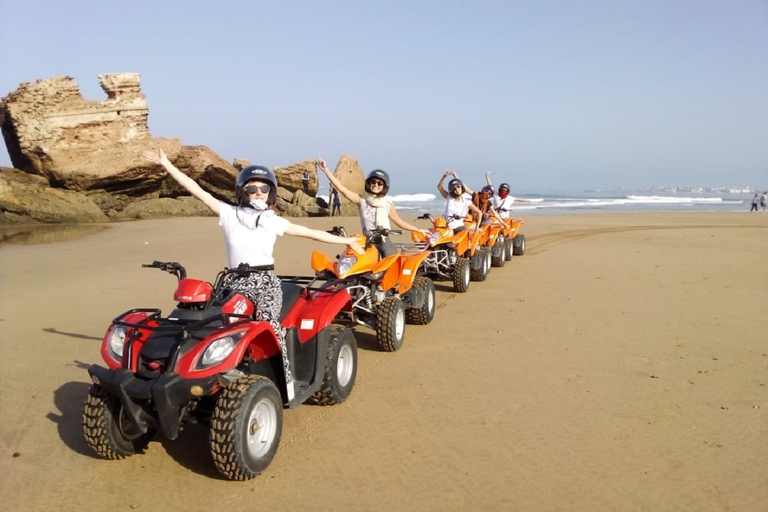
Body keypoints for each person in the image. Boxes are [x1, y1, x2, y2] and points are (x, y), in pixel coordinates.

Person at [142, 148, 362, 397]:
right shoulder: (229, 214)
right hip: (232, 282)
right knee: (210, 322)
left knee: (268, 325)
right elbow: (197, 190)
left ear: (271, 193)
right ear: (242, 192)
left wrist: (346, 243)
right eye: (252, 188)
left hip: (264, 283)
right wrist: (166, 164)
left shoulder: (272, 220)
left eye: (263, 189)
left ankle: (285, 384)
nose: (258, 193)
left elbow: (309, 232)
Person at [316, 156, 429, 257]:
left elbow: (400, 222)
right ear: (369, 183)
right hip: (367, 241)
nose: (376, 185)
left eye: (380, 183)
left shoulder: (387, 205)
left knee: (391, 259)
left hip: (383, 241)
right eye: (373, 182)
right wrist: (326, 170)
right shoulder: (362, 201)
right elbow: (341, 188)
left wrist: (419, 230)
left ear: (384, 186)